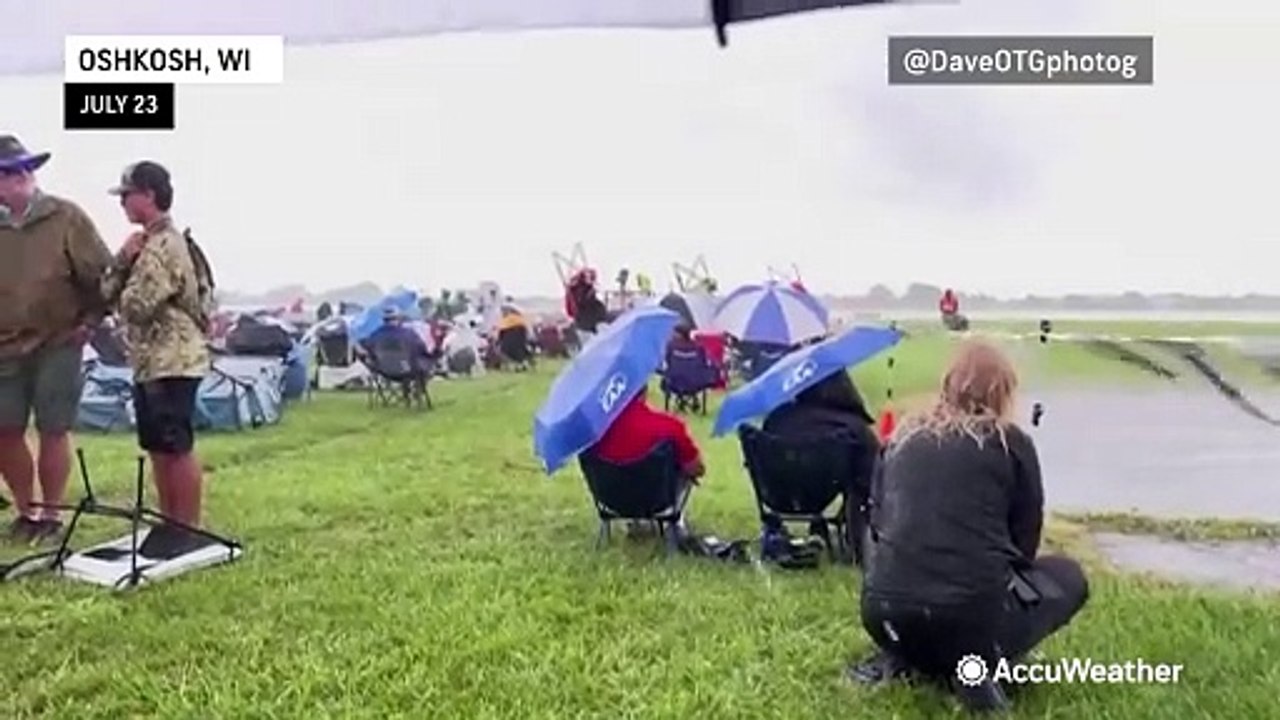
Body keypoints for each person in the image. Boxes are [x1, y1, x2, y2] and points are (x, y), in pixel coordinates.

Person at [851, 340, 1088, 712]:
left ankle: (910, 655)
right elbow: (1024, 544)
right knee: (1068, 576)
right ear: (1003, 391)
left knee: (923, 599)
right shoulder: (1010, 443)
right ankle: (975, 664)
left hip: (882, 617)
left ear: (947, 384)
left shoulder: (900, 438)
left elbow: (877, 521)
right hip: (967, 620)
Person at [0, 135, 115, 543]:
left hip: (59, 340)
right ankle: (25, 510)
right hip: (5, 347)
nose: (11, 181)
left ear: (26, 176)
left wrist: (93, 319)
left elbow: (104, 275)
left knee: (53, 426)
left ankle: (52, 513)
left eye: (16, 173)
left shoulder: (66, 217)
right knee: (5, 429)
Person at [103, 161, 214, 535]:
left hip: (173, 360)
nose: (122, 204)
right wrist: (123, 259)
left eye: (127, 195)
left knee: (175, 446)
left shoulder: (164, 244)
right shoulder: (147, 243)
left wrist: (127, 266)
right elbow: (107, 293)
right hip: (152, 361)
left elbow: (136, 305)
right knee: (157, 446)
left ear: (148, 195)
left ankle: (187, 527)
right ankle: (171, 524)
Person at [759, 370, 880, 561]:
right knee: (861, 479)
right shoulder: (853, 428)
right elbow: (872, 477)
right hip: (824, 491)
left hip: (778, 494)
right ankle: (856, 542)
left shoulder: (777, 418)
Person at [590, 385, 705, 530]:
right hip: (658, 501)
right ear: (644, 392)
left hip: (611, 501)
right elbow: (696, 468)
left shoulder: (594, 431)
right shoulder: (670, 426)